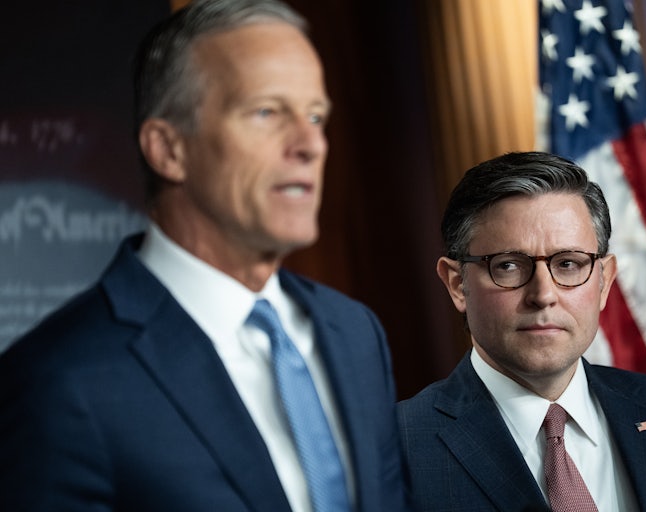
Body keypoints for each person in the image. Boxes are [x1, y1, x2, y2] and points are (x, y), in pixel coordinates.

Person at [0, 1, 411, 511]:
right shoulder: (58, 383)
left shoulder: (355, 334)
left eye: (315, 116)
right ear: (168, 149)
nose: (310, 144)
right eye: (266, 112)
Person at [397, 151, 646, 511]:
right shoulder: (394, 450)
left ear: (605, 281)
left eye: (568, 264)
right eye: (509, 266)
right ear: (457, 285)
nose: (544, 295)